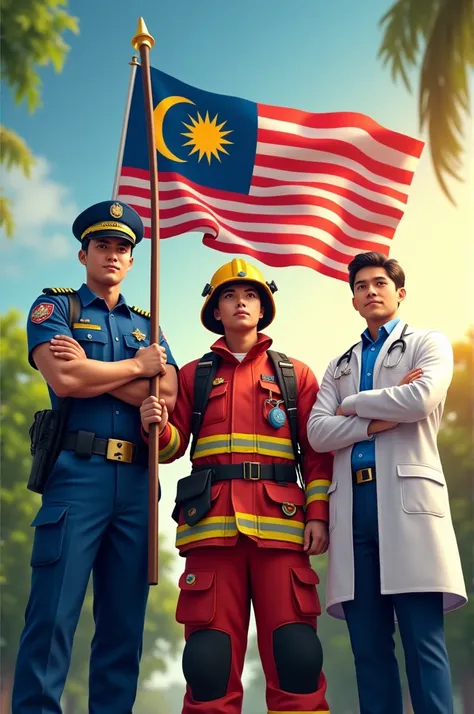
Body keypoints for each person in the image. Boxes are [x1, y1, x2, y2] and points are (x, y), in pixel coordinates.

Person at [140, 258, 333, 714]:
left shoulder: (296, 375)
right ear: (216, 309)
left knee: (298, 658)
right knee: (208, 665)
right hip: (211, 531)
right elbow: (170, 449)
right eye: (229, 295)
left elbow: (319, 453)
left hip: (283, 531)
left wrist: (319, 514)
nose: (240, 302)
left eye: (250, 296)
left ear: (263, 308)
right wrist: (157, 426)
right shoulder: (192, 375)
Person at [12, 200, 178, 714]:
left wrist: (97, 372)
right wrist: (136, 367)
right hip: (76, 476)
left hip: (134, 484)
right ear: (83, 254)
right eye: (102, 245)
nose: (112, 254)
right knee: (53, 617)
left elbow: (168, 396)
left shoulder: (147, 323)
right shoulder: (56, 308)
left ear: (132, 260)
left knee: (123, 627)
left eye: (122, 248)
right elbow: (63, 379)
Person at [307, 251, 467, 714]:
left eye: (380, 283)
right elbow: (318, 432)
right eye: (361, 286)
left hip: (407, 504)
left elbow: (420, 398)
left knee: (423, 643)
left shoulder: (428, 344)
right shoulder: (338, 363)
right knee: (369, 650)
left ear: (400, 292)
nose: (370, 291)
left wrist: (352, 404)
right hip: (352, 512)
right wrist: (374, 421)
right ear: (353, 299)